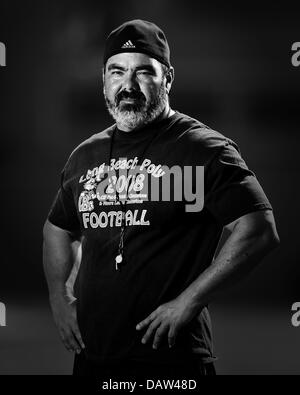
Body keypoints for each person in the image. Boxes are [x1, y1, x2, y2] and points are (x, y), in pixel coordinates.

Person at [43, 19, 280, 378]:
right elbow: (58, 228)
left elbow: (259, 229)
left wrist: (190, 301)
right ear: (103, 80)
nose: (128, 85)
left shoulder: (204, 148)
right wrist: (60, 299)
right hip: (94, 357)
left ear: (167, 78)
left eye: (143, 72)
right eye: (117, 71)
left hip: (172, 359)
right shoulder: (85, 155)